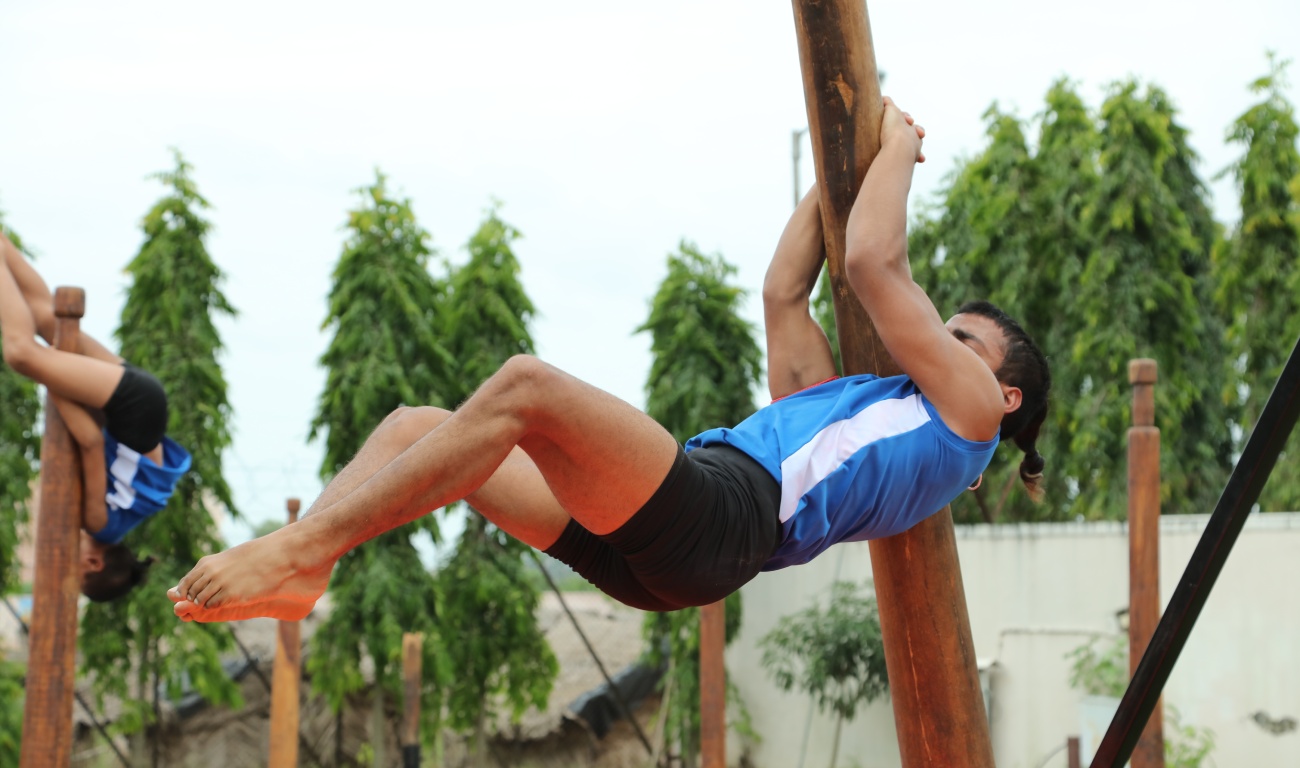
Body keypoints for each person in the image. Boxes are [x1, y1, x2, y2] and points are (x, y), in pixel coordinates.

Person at [169, 97, 1050, 623]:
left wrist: (896, 147)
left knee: (527, 387)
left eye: (962, 340)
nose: (937, 340)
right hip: (670, 544)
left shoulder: (969, 420)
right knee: (413, 428)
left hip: (721, 519)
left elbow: (872, 264)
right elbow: (785, 291)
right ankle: (310, 567)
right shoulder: (855, 413)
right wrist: (837, 166)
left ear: (1005, 394)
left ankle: (301, 549)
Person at [0, 233, 191, 603]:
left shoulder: (125, 519)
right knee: (21, 354)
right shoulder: (100, 525)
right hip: (130, 411)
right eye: (72, 571)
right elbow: (88, 441)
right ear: (93, 563)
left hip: (143, 406)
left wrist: (57, 368)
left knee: (46, 320)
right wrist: (51, 379)